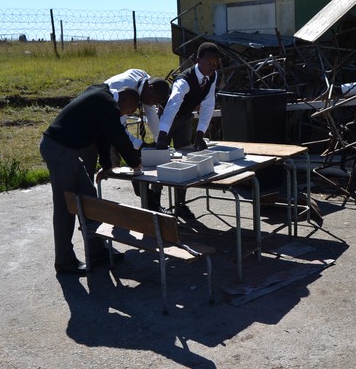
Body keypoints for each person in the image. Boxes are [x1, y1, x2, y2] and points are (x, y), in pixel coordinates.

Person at [40, 84, 143, 275]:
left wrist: (106, 165)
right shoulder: (106, 102)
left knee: (89, 199)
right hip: (59, 149)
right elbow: (117, 135)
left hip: (67, 151)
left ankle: (97, 251)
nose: (125, 115)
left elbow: (102, 136)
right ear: (128, 100)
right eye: (130, 110)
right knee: (66, 207)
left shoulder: (102, 97)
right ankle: (64, 260)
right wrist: (136, 162)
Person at [156, 42, 221, 220]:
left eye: (216, 63)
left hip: (185, 118)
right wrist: (162, 135)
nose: (212, 66)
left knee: (184, 160)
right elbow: (172, 105)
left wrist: (200, 133)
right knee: (159, 158)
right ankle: (153, 204)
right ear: (198, 59)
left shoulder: (213, 76)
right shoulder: (184, 80)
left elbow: (208, 104)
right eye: (209, 62)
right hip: (167, 117)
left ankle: (180, 205)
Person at [97, 69, 170, 211]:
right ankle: (97, 212)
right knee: (113, 165)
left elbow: (152, 115)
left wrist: (159, 140)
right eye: (154, 101)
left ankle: (152, 204)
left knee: (139, 161)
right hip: (102, 127)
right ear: (150, 89)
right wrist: (140, 145)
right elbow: (118, 131)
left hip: (115, 126)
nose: (152, 104)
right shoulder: (122, 92)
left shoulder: (147, 85)